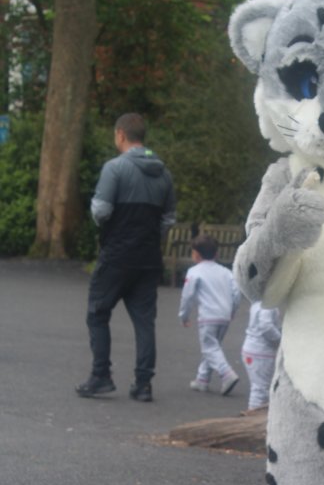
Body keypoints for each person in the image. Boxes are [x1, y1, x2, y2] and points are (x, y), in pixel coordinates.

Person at [76, 113, 176, 402]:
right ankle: (143, 384)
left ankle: (100, 376)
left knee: (97, 313)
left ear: (121, 134)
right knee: (144, 321)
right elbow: (168, 219)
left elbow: (101, 211)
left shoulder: (114, 169)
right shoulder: (164, 173)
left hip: (117, 254)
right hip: (148, 257)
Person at [179, 233, 241, 395]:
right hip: (225, 315)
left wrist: (184, 315)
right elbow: (236, 293)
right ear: (216, 254)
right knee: (214, 347)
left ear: (196, 254)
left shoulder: (194, 271)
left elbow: (187, 295)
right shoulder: (226, 272)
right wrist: (232, 310)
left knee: (209, 348)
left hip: (208, 315)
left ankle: (227, 374)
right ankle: (202, 379)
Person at [241, 301, 282, 410]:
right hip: (262, 351)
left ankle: (253, 415)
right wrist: (280, 340)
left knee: (258, 387)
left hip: (251, 348)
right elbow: (266, 326)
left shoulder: (256, 303)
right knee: (260, 389)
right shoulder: (268, 304)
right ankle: (251, 418)